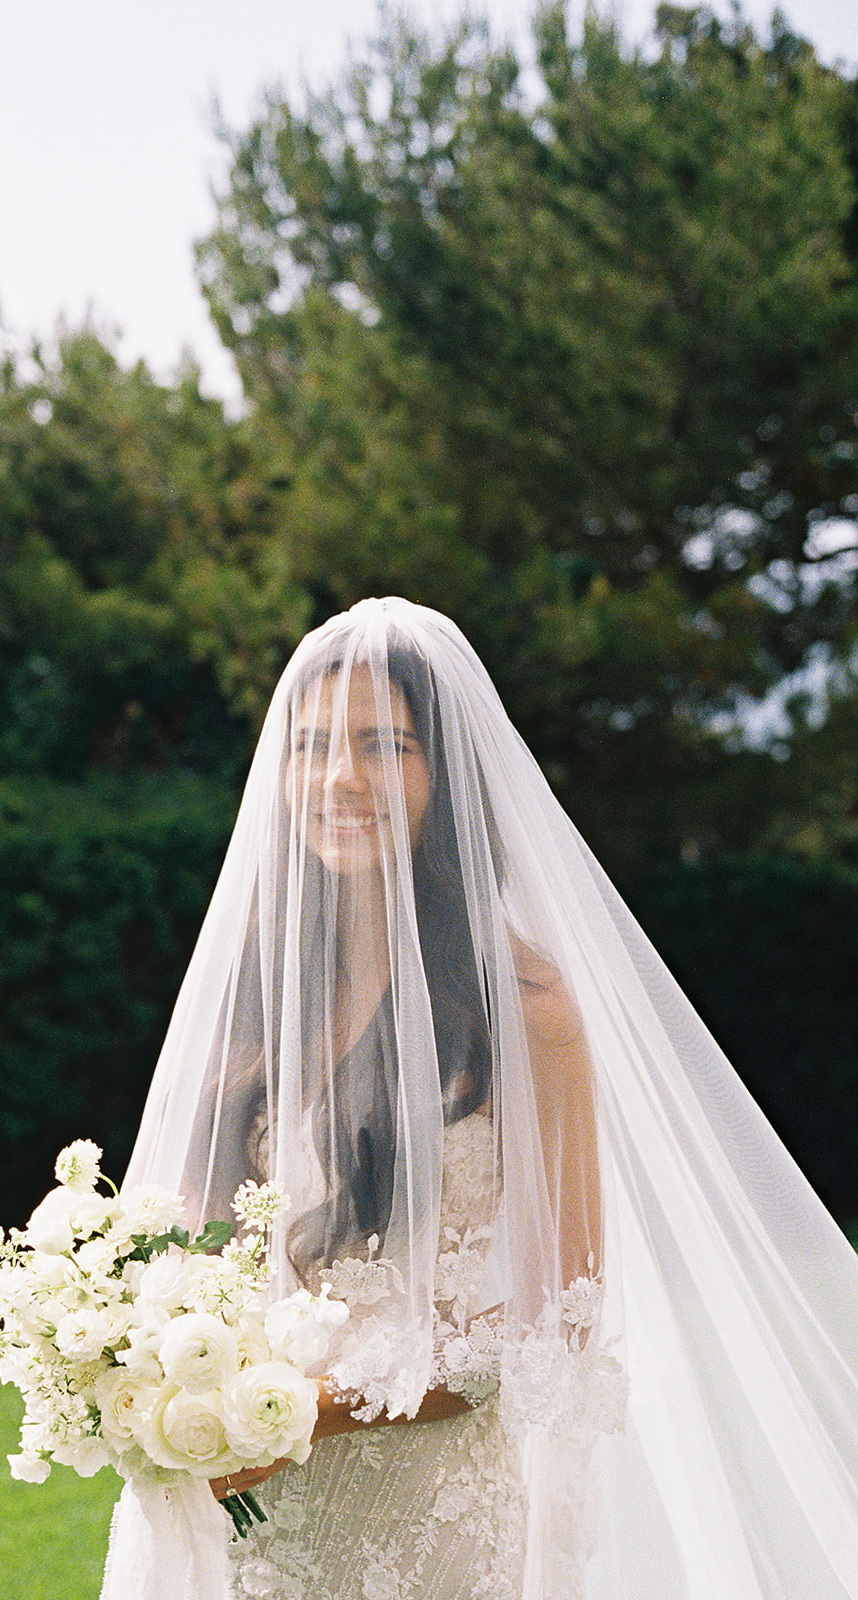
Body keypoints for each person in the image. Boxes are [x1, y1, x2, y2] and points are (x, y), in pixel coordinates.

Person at [100, 597, 858, 1600]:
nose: (340, 778)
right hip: (239, 1504)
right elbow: (184, 1252)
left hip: (425, 1519)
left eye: (383, 744)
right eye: (315, 745)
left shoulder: (528, 1008)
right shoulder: (253, 1002)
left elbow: (561, 1324)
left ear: (444, 774)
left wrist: (306, 1409)